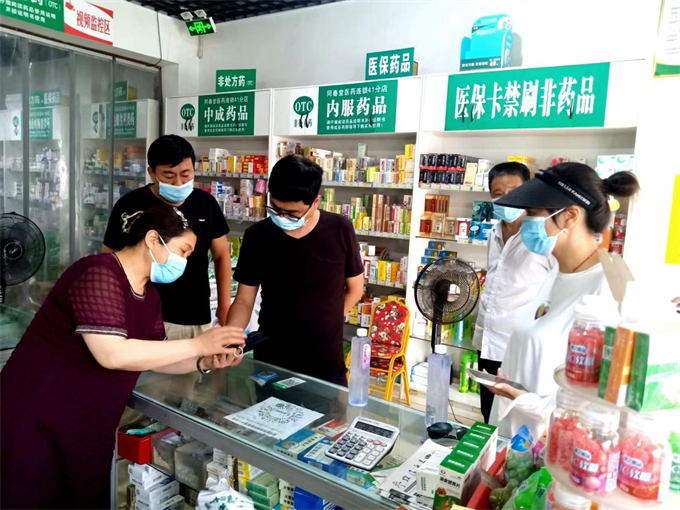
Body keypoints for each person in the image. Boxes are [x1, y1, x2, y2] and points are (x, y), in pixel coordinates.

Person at [0, 205, 246, 508]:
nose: (184, 261)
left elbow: (157, 355)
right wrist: (198, 344)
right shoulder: (98, 273)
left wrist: (204, 361)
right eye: (183, 250)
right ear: (153, 239)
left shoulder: (149, 296)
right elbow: (112, 354)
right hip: (40, 417)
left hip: (87, 425)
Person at [487, 163, 639, 440]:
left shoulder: (611, 288)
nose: (525, 221)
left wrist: (530, 403)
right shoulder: (558, 271)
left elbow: (611, 409)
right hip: (516, 441)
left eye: (533, 213)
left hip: (555, 451)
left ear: (570, 216)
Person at [226, 155, 365, 385]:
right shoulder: (258, 236)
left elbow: (356, 288)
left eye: (291, 213)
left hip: (325, 360)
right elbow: (243, 301)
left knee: (328, 408)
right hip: (272, 358)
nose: (281, 218)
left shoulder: (339, 229)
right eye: (275, 209)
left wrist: (327, 320)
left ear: (315, 202)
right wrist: (230, 341)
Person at [103, 135, 232, 339]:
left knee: (196, 359)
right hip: (142, 314)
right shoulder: (130, 205)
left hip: (195, 314)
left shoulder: (205, 204)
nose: (179, 183)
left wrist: (224, 306)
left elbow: (222, 255)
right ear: (152, 173)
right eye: (169, 175)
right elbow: (109, 259)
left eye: (186, 174)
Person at [472, 162, 557, 423]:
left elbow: (556, 291)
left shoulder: (543, 238)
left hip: (519, 348)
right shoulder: (493, 233)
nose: (506, 199)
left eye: (513, 192)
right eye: (498, 193)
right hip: (488, 343)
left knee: (518, 420)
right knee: (489, 416)